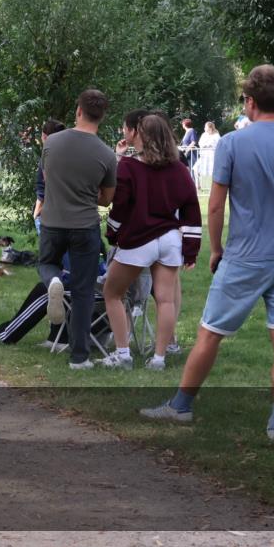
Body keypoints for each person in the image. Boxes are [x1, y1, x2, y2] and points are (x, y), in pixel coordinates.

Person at [141, 65, 274, 441]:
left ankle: (181, 406)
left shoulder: (232, 143)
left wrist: (216, 250)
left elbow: (214, 206)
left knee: (210, 333)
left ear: (250, 101)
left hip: (245, 256)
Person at [99, 114, 201, 370]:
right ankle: (159, 359)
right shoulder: (179, 169)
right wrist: (191, 250)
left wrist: (112, 234)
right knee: (165, 300)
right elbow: (191, 209)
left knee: (112, 293)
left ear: (141, 135)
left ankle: (123, 355)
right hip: (170, 239)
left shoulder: (129, 167)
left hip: (138, 239)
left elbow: (120, 207)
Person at [39, 89, 117, 370]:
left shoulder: (52, 142)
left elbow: (48, 178)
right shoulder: (107, 154)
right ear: (102, 116)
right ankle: (79, 357)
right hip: (85, 226)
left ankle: (54, 281)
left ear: (78, 111)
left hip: (52, 222)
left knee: (46, 263)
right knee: (84, 291)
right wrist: (87, 191)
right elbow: (106, 199)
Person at [34, 119, 67, 235]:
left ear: (44, 136)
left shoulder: (47, 156)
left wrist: (37, 211)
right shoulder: (67, 156)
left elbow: (46, 186)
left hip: (48, 213)